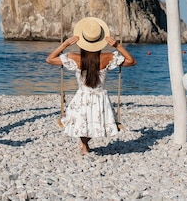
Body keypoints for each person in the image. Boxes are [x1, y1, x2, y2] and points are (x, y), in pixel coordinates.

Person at [46, 17, 136, 154]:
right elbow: (132, 61)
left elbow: (50, 59)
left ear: (82, 41)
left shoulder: (75, 58)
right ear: (99, 42)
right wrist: (117, 46)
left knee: (84, 123)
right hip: (100, 97)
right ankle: (84, 144)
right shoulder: (108, 57)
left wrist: (64, 45)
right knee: (95, 124)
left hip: (82, 96)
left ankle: (83, 144)